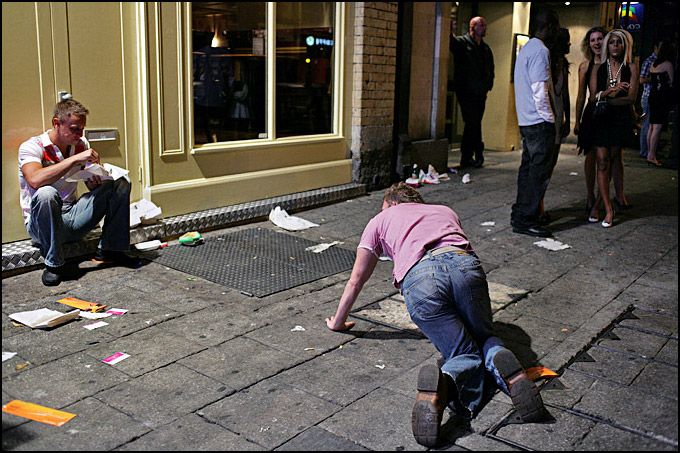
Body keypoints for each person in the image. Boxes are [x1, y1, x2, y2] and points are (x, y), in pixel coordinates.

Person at [325, 182, 548, 448]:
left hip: (420, 279)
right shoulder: (444, 210)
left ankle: (444, 384)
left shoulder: (380, 220)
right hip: (465, 266)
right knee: (484, 336)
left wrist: (338, 322)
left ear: (392, 203)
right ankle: (506, 367)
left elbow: (356, 281)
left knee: (463, 352)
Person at [18, 99, 138, 286]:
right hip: (41, 226)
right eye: (74, 129)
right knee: (46, 193)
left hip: (73, 216)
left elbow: (89, 182)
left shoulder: (81, 144)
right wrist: (74, 160)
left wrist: (95, 182)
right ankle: (53, 264)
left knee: (121, 182)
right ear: (56, 123)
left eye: (82, 129)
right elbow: (34, 179)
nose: (79, 134)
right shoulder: (33, 146)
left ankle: (111, 249)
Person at [510, 8, 560, 238]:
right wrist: (550, 119)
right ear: (548, 26)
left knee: (527, 171)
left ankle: (520, 215)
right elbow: (540, 91)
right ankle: (527, 219)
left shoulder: (527, 49)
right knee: (537, 174)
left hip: (526, 121)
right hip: (539, 122)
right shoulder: (540, 50)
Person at [587, 29, 638, 228]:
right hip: (601, 120)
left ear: (625, 45)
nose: (615, 45)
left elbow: (630, 98)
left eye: (619, 42)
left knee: (612, 159)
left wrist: (605, 99)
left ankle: (599, 203)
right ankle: (608, 209)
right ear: (607, 46)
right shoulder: (598, 68)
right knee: (601, 161)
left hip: (619, 121)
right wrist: (611, 91)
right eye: (612, 42)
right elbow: (593, 98)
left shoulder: (631, 68)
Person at [451, 16, 495, 168]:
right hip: (466, 91)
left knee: (474, 123)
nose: (484, 28)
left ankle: (469, 156)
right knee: (472, 122)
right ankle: (476, 153)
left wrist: (488, 85)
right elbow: (450, 43)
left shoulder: (485, 48)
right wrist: (450, 28)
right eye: (481, 25)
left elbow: (490, 68)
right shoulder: (462, 43)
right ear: (473, 27)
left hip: (480, 92)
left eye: (484, 25)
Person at [538, 27, 571, 224]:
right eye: (566, 41)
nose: (569, 44)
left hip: (558, 118)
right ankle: (538, 205)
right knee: (543, 163)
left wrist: (567, 118)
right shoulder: (546, 61)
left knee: (551, 164)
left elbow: (564, 93)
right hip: (546, 118)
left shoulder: (563, 63)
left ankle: (540, 202)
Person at [574, 26, 606, 217]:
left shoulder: (613, 64)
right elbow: (580, 96)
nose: (596, 43)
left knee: (605, 159)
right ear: (588, 43)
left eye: (600, 39)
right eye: (593, 40)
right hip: (591, 113)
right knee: (590, 155)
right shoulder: (585, 66)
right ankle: (589, 195)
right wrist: (577, 121)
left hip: (609, 113)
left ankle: (603, 199)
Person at [646, 39, 675, 167]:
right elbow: (671, 82)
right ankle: (652, 155)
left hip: (653, 96)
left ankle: (649, 153)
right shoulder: (668, 64)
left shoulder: (653, 64)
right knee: (657, 127)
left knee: (651, 126)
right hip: (662, 97)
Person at [638, 43, 659, 159]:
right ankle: (644, 151)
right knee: (647, 124)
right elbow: (641, 79)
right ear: (655, 47)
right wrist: (655, 78)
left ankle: (648, 150)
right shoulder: (649, 61)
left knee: (651, 125)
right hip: (648, 95)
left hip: (654, 96)